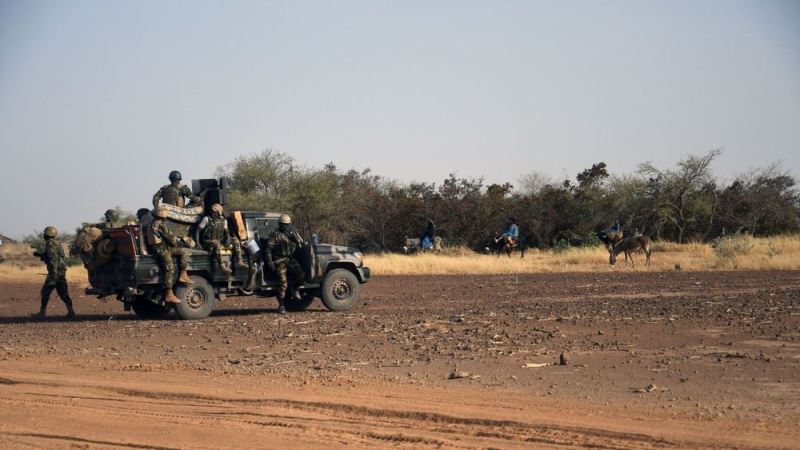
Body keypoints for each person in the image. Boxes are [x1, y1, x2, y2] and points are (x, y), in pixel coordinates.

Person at [145, 205, 193, 304]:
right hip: (163, 250)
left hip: (157, 249)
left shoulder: (151, 224)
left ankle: (183, 275)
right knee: (169, 269)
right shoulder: (161, 225)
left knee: (183, 252)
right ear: (164, 216)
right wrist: (180, 241)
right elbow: (172, 240)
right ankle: (169, 294)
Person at [264, 213, 306, 314]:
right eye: (283, 224)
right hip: (279, 260)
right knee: (283, 284)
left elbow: (301, 244)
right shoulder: (274, 234)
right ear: (279, 224)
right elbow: (268, 249)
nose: (285, 226)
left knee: (302, 275)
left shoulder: (292, 233)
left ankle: (294, 289)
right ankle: (281, 305)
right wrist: (270, 261)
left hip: (290, 259)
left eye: (287, 224)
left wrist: (294, 236)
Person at [32, 226, 75, 319]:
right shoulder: (57, 243)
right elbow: (54, 256)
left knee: (45, 292)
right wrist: (40, 254)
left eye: (44, 234)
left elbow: (52, 258)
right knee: (63, 293)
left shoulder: (50, 243)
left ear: (47, 234)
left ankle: (42, 313)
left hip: (54, 273)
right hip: (61, 272)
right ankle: (71, 312)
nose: (43, 235)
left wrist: (53, 273)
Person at [198, 203, 245, 278]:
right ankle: (222, 267)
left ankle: (240, 261)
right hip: (208, 241)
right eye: (212, 211)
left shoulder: (223, 220)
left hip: (219, 239)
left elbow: (226, 232)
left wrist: (228, 238)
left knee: (235, 240)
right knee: (217, 244)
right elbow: (197, 231)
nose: (212, 213)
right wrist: (198, 244)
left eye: (214, 212)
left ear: (219, 213)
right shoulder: (206, 219)